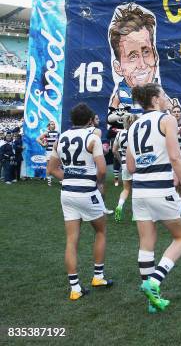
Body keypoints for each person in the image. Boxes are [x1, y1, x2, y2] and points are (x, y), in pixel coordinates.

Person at [126, 83, 181, 314]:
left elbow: (131, 167)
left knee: (146, 243)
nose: (166, 98)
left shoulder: (132, 126)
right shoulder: (167, 119)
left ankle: (151, 300)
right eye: (163, 95)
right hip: (161, 189)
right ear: (154, 99)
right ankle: (154, 282)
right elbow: (175, 156)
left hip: (140, 192)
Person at [46, 103, 113, 301]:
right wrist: (97, 183)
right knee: (100, 231)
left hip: (67, 193)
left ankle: (75, 288)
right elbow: (101, 170)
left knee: (71, 240)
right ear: (90, 120)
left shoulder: (61, 138)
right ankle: (98, 277)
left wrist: (69, 179)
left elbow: (51, 168)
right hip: (87, 192)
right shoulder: (93, 138)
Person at [112, 114, 137, 221]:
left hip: (124, 163)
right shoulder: (137, 132)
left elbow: (114, 150)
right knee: (137, 190)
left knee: (126, 189)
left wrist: (120, 159)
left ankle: (119, 206)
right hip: (137, 164)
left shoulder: (120, 134)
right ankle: (135, 214)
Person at [37, 121, 59, 186]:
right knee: (49, 166)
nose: (53, 125)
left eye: (54, 124)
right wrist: (43, 144)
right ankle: (49, 181)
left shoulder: (57, 133)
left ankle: (60, 179)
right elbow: (38, 139)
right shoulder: (47, 133)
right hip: (49, 151)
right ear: (49, 126)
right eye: (52, 124)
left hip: (56, 151)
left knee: (57, 165)